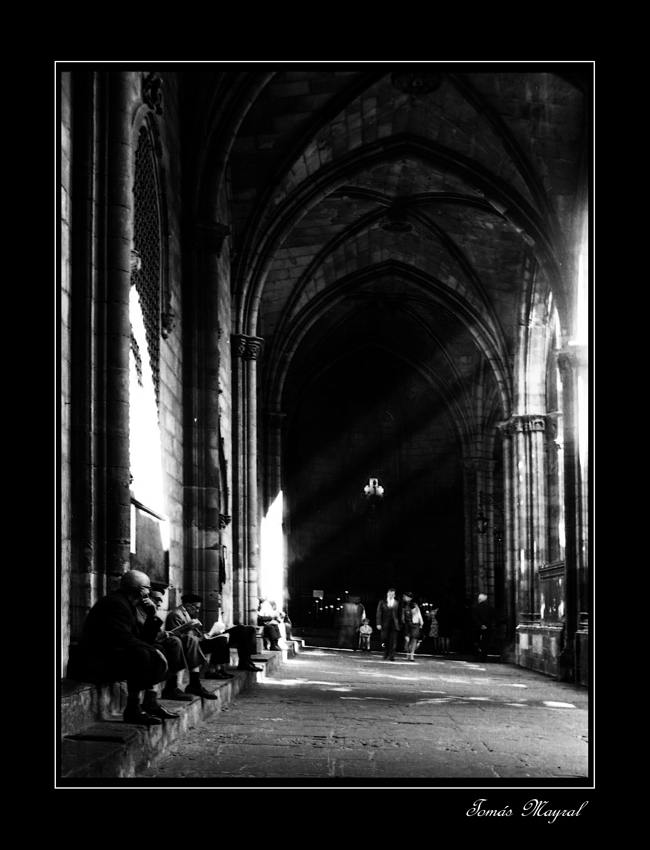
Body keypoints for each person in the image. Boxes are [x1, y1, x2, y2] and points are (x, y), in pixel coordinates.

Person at [75, 569, 170, 726]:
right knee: (141, 653)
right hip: (93, 662)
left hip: (109, 655)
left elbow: (143, 639)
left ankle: (149, 701)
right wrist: (153, 651)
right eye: (148, 588)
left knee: (156, 647)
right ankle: (133, 709)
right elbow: (125, 638)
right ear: (141, 590)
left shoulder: (127, 604)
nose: (149, 591)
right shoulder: (115, 604)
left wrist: (152, 616)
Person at [166, 594, 262, 699]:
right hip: (191, 645)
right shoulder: (176, 615)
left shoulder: (186, 613)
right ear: (188, 605)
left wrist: (211, 633)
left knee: (233, 633)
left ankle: (232, 665)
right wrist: (205, 637)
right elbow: (179, 638)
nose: (197, 611)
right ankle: (206, 675)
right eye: (196, 608)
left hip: (195, 642)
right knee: (221, 641)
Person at [376, 588, 402, 661]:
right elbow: (379, 613)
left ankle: (392, 655)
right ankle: (385, 652)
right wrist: (378, 623)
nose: (391, 595)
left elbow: (400, 614)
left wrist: (400, 624)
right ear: (387, 594)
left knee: (393, 640)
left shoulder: (397, 603)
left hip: (394, 624)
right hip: (385, 624)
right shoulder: (382, 602)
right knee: (384, 639)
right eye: (390, 594)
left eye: (393, 594)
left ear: (394, 595)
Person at [472, 592, 496, 662]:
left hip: (477, 628)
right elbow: (492, 619)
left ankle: (477, 655)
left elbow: (474, 617)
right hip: (487, 628)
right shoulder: (490, 608)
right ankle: (483, 657)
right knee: (486, 643)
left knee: (476, 641)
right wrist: (486, 625)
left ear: (479, 599)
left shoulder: (475, 608)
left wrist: (480, 625)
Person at [401, 592, 423, 662]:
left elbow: (418, 614)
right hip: (407, 623)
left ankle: (412, 655)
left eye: (406, 597)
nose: (404, 598)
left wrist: (421, 621)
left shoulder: (414, 605)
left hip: (415, 623)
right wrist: (402, 620)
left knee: (414, 639)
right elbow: (402, 614)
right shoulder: (403, 605)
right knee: (407, 639)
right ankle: (408, 653)